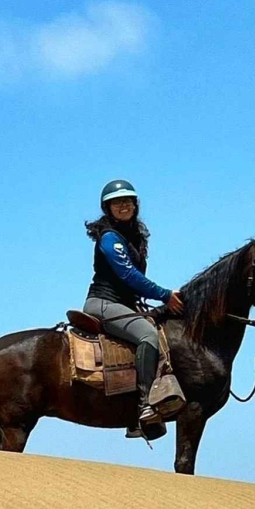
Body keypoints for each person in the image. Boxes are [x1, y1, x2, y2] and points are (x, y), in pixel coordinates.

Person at [83, 179, 185, 437]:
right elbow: (128, 276)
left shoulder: (133, 238)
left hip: (124, 305)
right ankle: (144, 407)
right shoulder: (110, 239)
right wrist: (164, 295)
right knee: (147, 335)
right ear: (108, 208)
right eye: (117, 202)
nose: (124, 206)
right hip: (103, 304)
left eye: (128, 201)